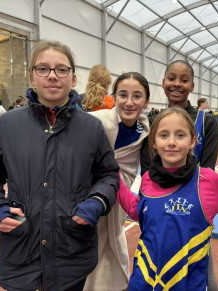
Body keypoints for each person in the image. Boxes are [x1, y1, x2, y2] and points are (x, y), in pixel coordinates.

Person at [0, 40, 120, 291]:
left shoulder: (91, 128)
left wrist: (96, 202)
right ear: (32, 76)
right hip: (21, 249)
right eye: (43, 69)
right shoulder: (8, 125)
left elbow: (108, 174)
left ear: (73, 78)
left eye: (61, 69)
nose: (52, 76)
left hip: (71, 251)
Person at [118, 107, 218, 290]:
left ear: (193, 141)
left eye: (180, 135)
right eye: (164, 135)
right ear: (154, 142)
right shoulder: (148, 179)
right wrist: (114, 176)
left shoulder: (208, 181)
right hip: (143, 283)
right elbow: (137, 211)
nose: (171, 142)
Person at [140, 59, 218, 290]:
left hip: (192, 213)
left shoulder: (207, 121)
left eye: (184, 80)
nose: (177, 84)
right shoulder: (152, 122)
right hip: (159, 213)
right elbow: (148, 171)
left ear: (192, 86)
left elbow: (208, 171)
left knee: (205, 277)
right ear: (163, 82)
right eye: (171, 78)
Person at [83, 72, 151, 291]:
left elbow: (132, 166)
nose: (129, 102)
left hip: (119, 195)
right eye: (123, 95)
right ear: (114, 97)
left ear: (146, 101)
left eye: (137, 96)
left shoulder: (145, 128)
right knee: (92, 239)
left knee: (113, 236)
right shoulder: (97, 120)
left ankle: (112, 284)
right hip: (90, 193)